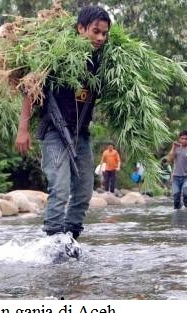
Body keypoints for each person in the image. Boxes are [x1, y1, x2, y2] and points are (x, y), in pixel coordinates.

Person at [15, 6, 111, 240]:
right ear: (80, 29)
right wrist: (23, 130)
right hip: (54, 132)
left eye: (104, 34)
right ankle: (53, 239)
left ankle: (71, 237)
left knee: (84, 191)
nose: (100, 38)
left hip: (82, 134)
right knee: (59, 189)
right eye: (95, 31)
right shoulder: (57, 57)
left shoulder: (101, 63)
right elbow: (30, 88)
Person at [168, 130, 187, 209]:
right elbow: (170, 159)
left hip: (186, 177)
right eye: (182, 138)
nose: (184, 140)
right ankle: (178, 214)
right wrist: (173, 147)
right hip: (176, 177)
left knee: (186, 194)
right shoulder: (176, 149)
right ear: (179, 139)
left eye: (186, 139)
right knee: (176, 199)